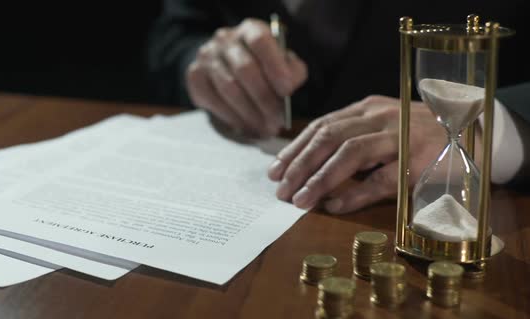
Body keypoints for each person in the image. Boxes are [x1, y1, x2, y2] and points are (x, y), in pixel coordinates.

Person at [148, 0, 530, 214]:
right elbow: (177, 32)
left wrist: (490, 127)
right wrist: (201, 65)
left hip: (474, 201)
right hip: (251, 158)